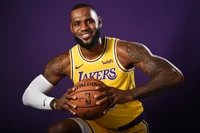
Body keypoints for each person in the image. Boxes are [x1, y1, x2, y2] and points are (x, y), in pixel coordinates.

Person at [22, 3, 184, 133]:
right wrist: (56, 103)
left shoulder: (124, 51)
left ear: (99, 21)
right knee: (58, 130)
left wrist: (128, 94)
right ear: (71, 28)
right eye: (77, 24)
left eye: (89, 21)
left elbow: (173, 75)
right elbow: (28, 95)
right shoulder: (65, 62)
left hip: (132, 126)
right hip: (97, 127)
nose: (84, 27)